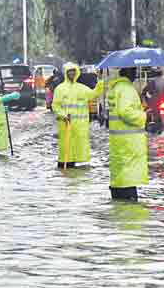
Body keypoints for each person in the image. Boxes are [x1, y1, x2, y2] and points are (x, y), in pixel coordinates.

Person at [107, 66, 148, 201]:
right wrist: (143, 116)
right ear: (128, 73)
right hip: (129, 142)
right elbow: (125, 111)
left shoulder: (115, 88)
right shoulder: (127, 89)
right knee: (129, 188)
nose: (136, 74)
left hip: (118, 142)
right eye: (134, 71)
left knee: (120, 180)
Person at [52, 63, 104, 169]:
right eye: (69, 71)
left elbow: (93, 94)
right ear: (66, 73)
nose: (72, 73)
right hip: (66, 125)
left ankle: (72, 174)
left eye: (73, 71)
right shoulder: (60, 89)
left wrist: (100, 82)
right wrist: (64, 115)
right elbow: (55, 105)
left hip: (79, 127)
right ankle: (64, 172)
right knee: (65, 152)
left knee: (76, 152)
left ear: (76, 72)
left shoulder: (81, 88)